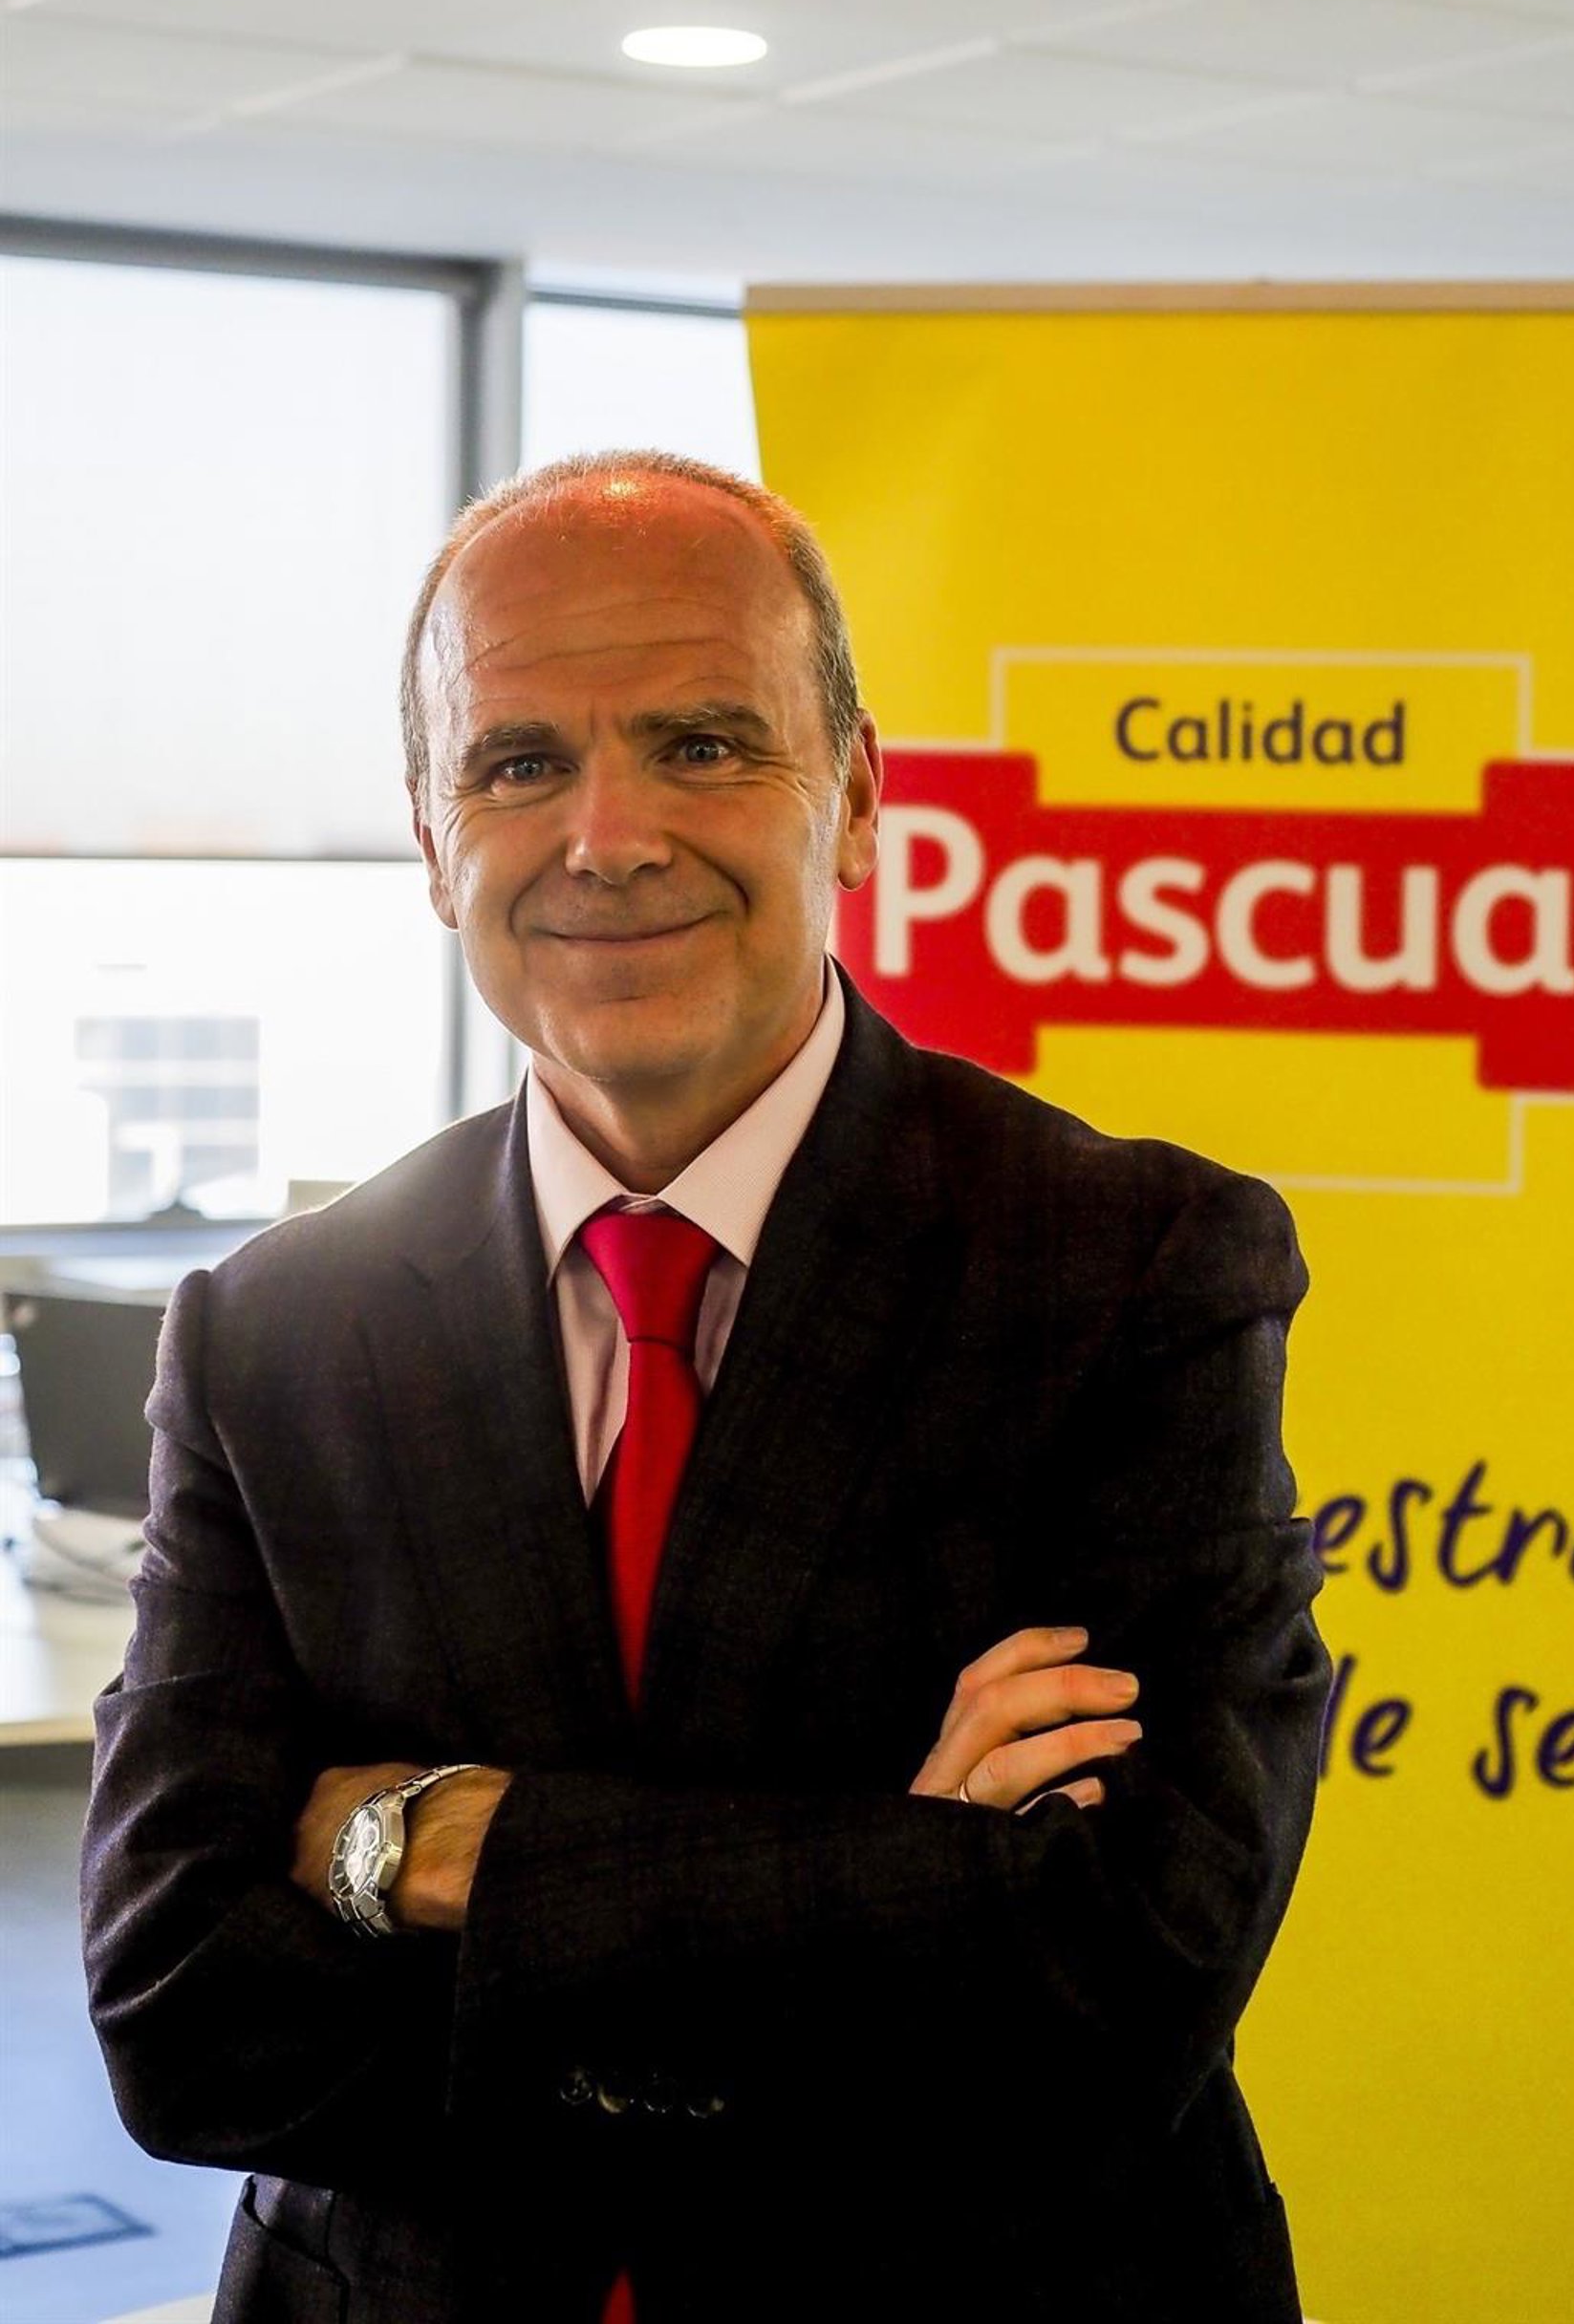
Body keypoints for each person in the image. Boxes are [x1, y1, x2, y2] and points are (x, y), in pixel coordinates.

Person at [79, 449, 1331, 2324]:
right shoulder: (275, 1332)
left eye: (702, 744)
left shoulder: (1134, 1269)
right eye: (518, 763)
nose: (609, 834)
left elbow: (1116, 1984)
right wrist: (898, 1870)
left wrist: (412, 1849)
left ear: (859, 798)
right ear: (430, 840)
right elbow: (183, 2010)